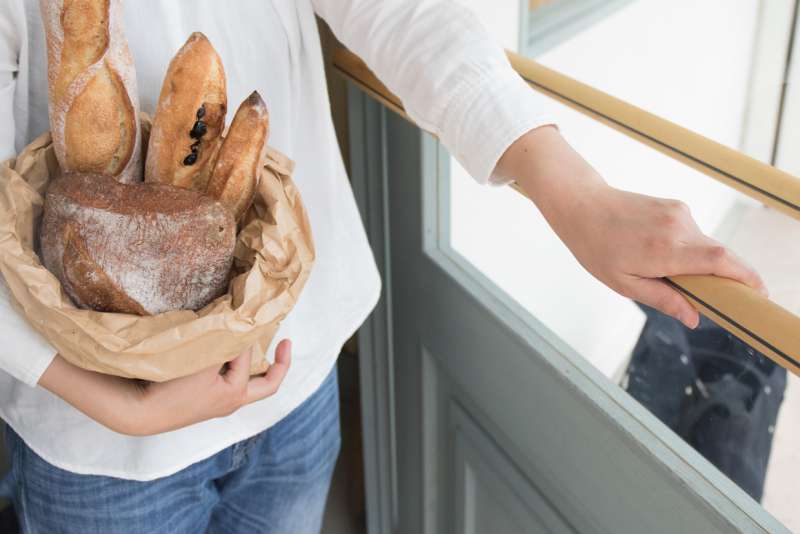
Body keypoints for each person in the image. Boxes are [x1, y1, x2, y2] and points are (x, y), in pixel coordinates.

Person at [0, 0, 765, 532]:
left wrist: (572, 192)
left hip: (291, 372)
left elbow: (402, 9)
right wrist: (110, 401)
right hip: (101, 440)